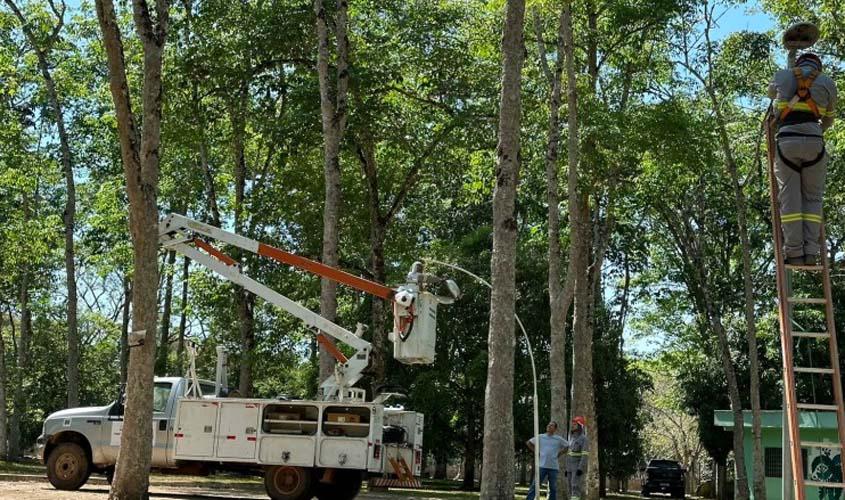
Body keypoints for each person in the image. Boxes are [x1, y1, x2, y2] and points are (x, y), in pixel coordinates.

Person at [768, 52, 838, 265]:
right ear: (818, 67)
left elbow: (771, 93)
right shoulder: (828, 83)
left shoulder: (782, 75)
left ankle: (794, 253)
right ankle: (811, 253)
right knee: (813, 198)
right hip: (815, 142)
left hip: (787, 140)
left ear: (798, 64)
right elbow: (828, 119)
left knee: (790, 197)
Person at [526, 420, 568, 500]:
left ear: (555, 429)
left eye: (551, 425)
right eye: (548, 425)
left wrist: (560, 453)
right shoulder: (541, 436)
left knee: (553, 488)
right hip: (542, 466)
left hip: (554, 467)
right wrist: (537, 452)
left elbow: (567, 446)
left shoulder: (558, 439)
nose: (549, 426)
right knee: (535, 485)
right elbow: (529, 443)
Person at [566, 416, 589, 500]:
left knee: (575, 486)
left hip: (577, 467)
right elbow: (569, 454)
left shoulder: (584, 439)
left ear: (580, 426)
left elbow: (585, 455)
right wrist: (567, 468)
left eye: (575, 424)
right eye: (572, 423)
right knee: (569, 486)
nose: (572, 425)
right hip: (569, 468)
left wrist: (580, 468)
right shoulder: (571, 438)